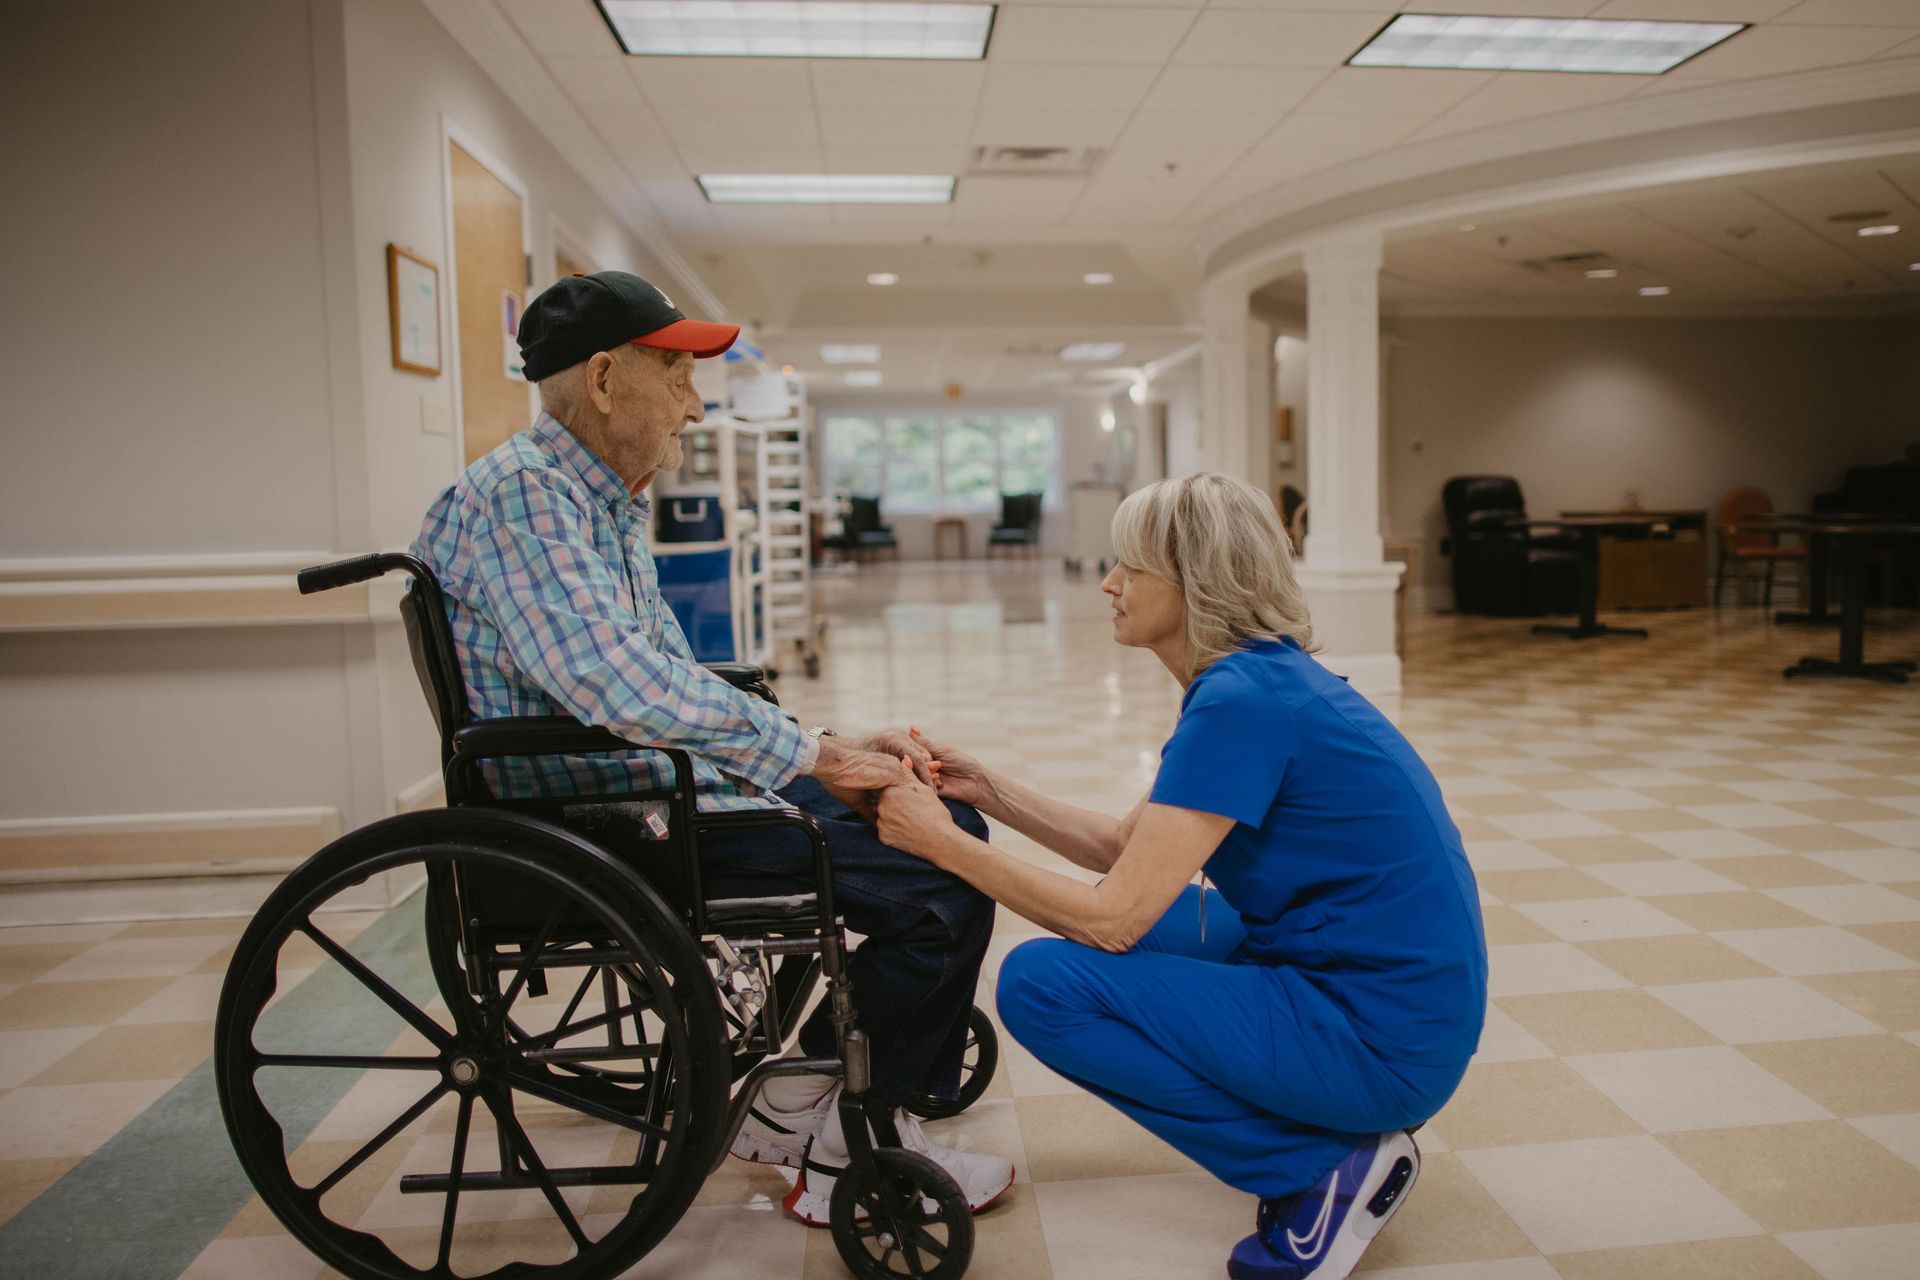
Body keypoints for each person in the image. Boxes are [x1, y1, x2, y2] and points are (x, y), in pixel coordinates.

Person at [411, 270, 1013, 1225]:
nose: (694, 407)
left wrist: (829, 745)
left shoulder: (593, 501)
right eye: (678, 378)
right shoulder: (527, 497)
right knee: (944, 877)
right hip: (616, 818)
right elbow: (618, 687)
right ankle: (845, 1140)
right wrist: (815, 758)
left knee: (947, 822)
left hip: (658, 784)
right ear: (603, 380)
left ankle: (803, 1092)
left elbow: (661, 679)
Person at [873, 472, 1487, 1279]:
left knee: (1043, 984)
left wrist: (941, 845)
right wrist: (987, 791)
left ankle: (1318, 1168)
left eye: (1131, 567)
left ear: (1197, 582)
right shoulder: (1255, 679)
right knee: (1138, 923)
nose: (1108, 584)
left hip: (1382, 1036)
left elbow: (1110, 922)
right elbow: (1124, 846)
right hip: (1388, 989)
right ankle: (1325, 1126)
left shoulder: (1241, 703)